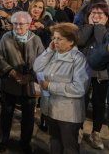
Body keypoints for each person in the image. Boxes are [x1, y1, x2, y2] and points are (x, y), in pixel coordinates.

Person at [33, 23, 89, 154]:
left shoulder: (79, 59)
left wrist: (51, 86)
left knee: (69, 146)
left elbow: (79, 88)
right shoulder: (54, 53)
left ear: (71, 41)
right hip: (50, 109)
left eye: (59, 39)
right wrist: (49, 50)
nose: (55, 41)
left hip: (68, 114)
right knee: (55, 141)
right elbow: (37, 68)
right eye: (54, 38)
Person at [0, 11, 44, 153]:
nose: (17, 27)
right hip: (10, 83)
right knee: (6, 114)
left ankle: (25, 143)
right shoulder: (6, 37)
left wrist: (30, 76)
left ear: (29, 25)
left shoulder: (36, 40)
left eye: (21, 24)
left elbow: (42, 62)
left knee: (28, 117)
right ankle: (3, 140)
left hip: (28, 85)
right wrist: (11, 72)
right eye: (15, 24)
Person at [77, 3, 109, 150]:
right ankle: (79, 128)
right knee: (81, 100)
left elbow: (101, 41)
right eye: (93, 13)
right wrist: (90, 25)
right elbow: (81, 41)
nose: (96, 16)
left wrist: (99, 27)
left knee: (99, 103)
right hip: (83, 71)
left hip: (101, 73)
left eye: (100, 14)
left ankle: (96, 132)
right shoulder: (84, 27)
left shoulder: (106, 30)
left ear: (106, 17)